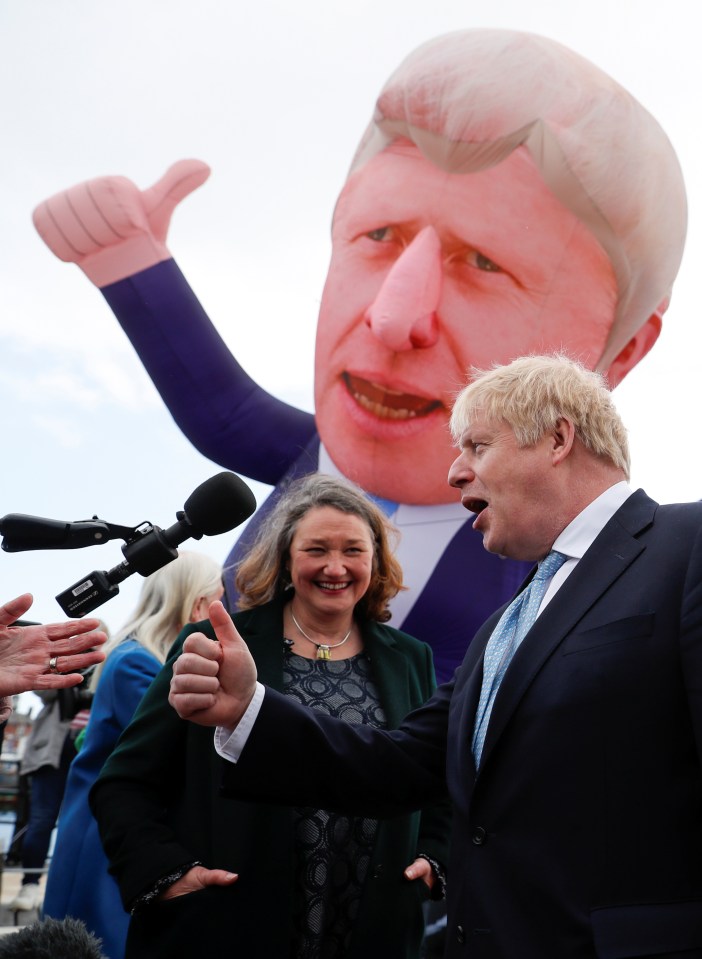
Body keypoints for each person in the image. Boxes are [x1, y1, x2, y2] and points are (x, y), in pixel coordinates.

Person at [31, 29, 687, 684]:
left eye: (483, 263)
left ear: (620, 351)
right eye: (379, 236)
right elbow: (220, 410)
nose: (394, 316)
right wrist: (131, 267)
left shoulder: (562, 555)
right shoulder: (313, 456)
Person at [169, 354, 702, 959]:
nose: (454, 473)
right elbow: (399, 766)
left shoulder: (688, 548)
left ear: (558, 438)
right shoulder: (506, 624)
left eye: (476, 445)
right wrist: (249, 711)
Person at [90, 475, 450, 959]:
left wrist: (433, 857)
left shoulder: (410, 658)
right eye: (316, 549)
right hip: (225, 925)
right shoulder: (215, 643)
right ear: (285, 557)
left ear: (376, 560)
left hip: (371, 925)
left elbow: (432, 776)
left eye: (353, 551)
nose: (335, 567)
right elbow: (124, 781)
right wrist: (164, 873)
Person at [41, 552, 224, 959]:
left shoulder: (136, 657)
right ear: (196, 603)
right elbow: (192, 745)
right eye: (218, 599)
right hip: (105, 839)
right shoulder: (137, 664)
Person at [0, 594, 106, 712]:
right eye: (85, 642)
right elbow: (42, 693)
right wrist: (60, 670)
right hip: (53, 726)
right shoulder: (55, 662)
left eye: (93, 645)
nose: (87, 650)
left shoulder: (107, 670)